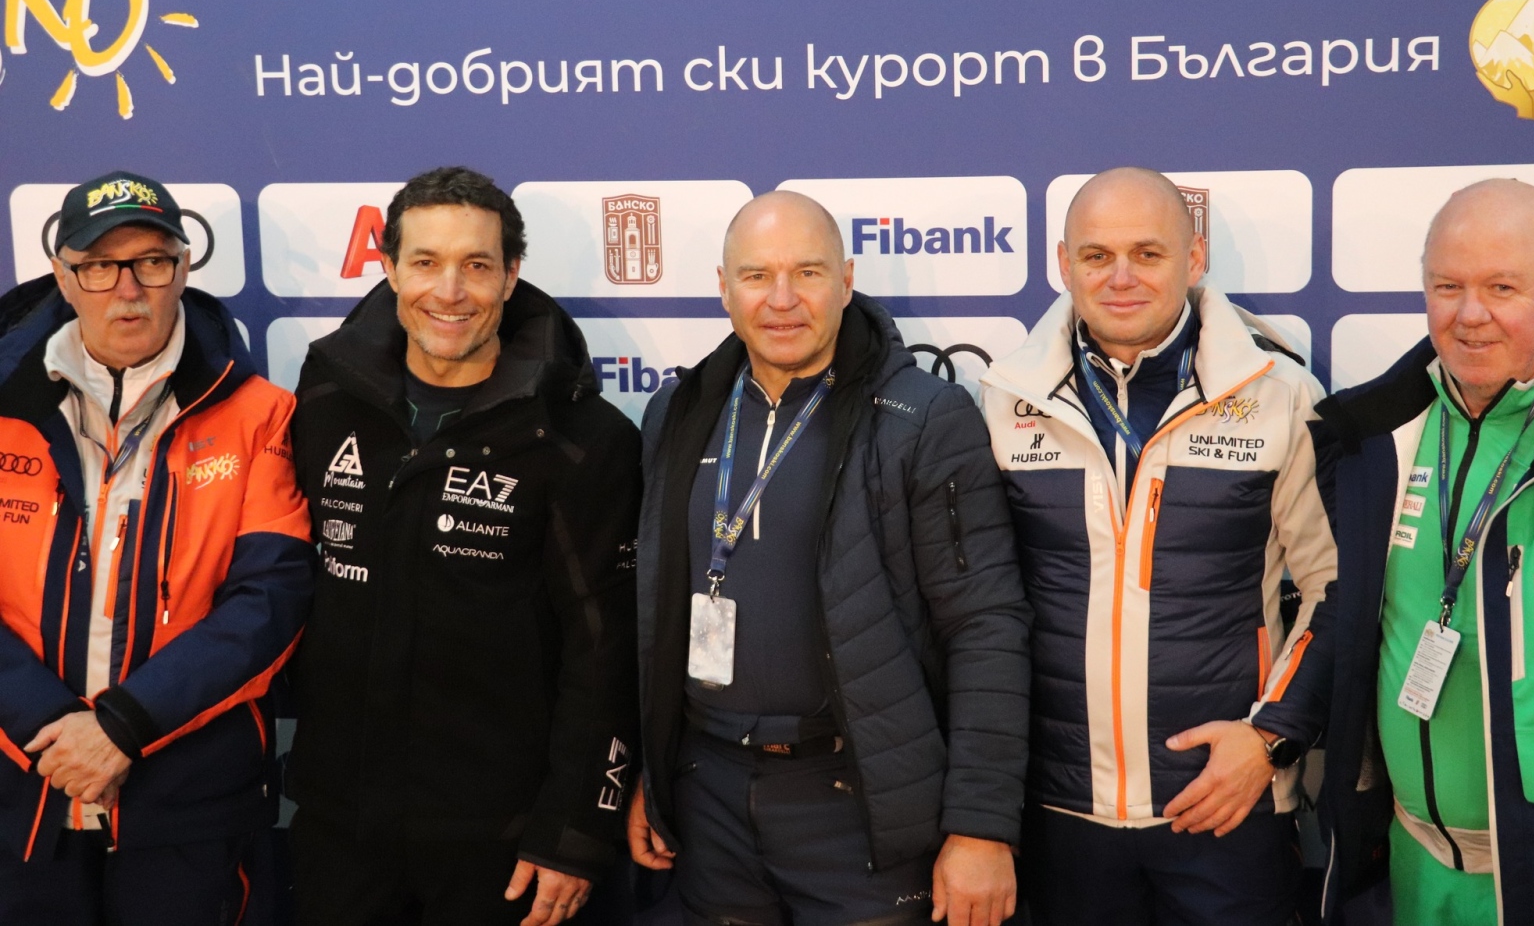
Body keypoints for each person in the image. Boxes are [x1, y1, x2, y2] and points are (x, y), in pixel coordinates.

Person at [627, 190, 1031, 926]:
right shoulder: (677, 412)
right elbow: (650, 614)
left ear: (846, 281)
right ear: (724, 287)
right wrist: (649, 776)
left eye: (807, 272)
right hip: (708, 793)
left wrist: (981, 825)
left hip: (858, 801)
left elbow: (986, 626)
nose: (782, 299)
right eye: (757, 275)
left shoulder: (923, 418)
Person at [979, 167, 1337, 925]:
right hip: (1060, 812)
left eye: (1148, 253)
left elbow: (1334, 588)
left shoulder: (1277, 395)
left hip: (1225, 804)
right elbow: (979, 614)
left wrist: (1269, 737)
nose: (1121, 278)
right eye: (1097, 255)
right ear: (1063, 262)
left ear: (1194, 257)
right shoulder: (1004, 400)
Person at [286, 167, 642, 926]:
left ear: (511, 276)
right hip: (337, 830)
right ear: (389, 268)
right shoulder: (325, 396)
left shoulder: (582, 438)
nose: (449, 291)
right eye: (425, 262)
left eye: (476, 265)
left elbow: (604, 649)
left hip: (502, 847)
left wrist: (575, 831)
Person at [0, 171, 316, 925]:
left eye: (151, 261)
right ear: (63, 278)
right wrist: (49, 732)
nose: (128, 290)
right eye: (100, 267)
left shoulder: (260, 413)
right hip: (23, 788)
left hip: (188, 802)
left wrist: (121, 728)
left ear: (183, 268)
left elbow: (269, 601)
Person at [1315, 179, 1534, 926]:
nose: (1470, 314)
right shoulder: (1374, 435)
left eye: (1502, 287)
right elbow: (1341, 615)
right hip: (1408, 863)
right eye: (1448, 286)